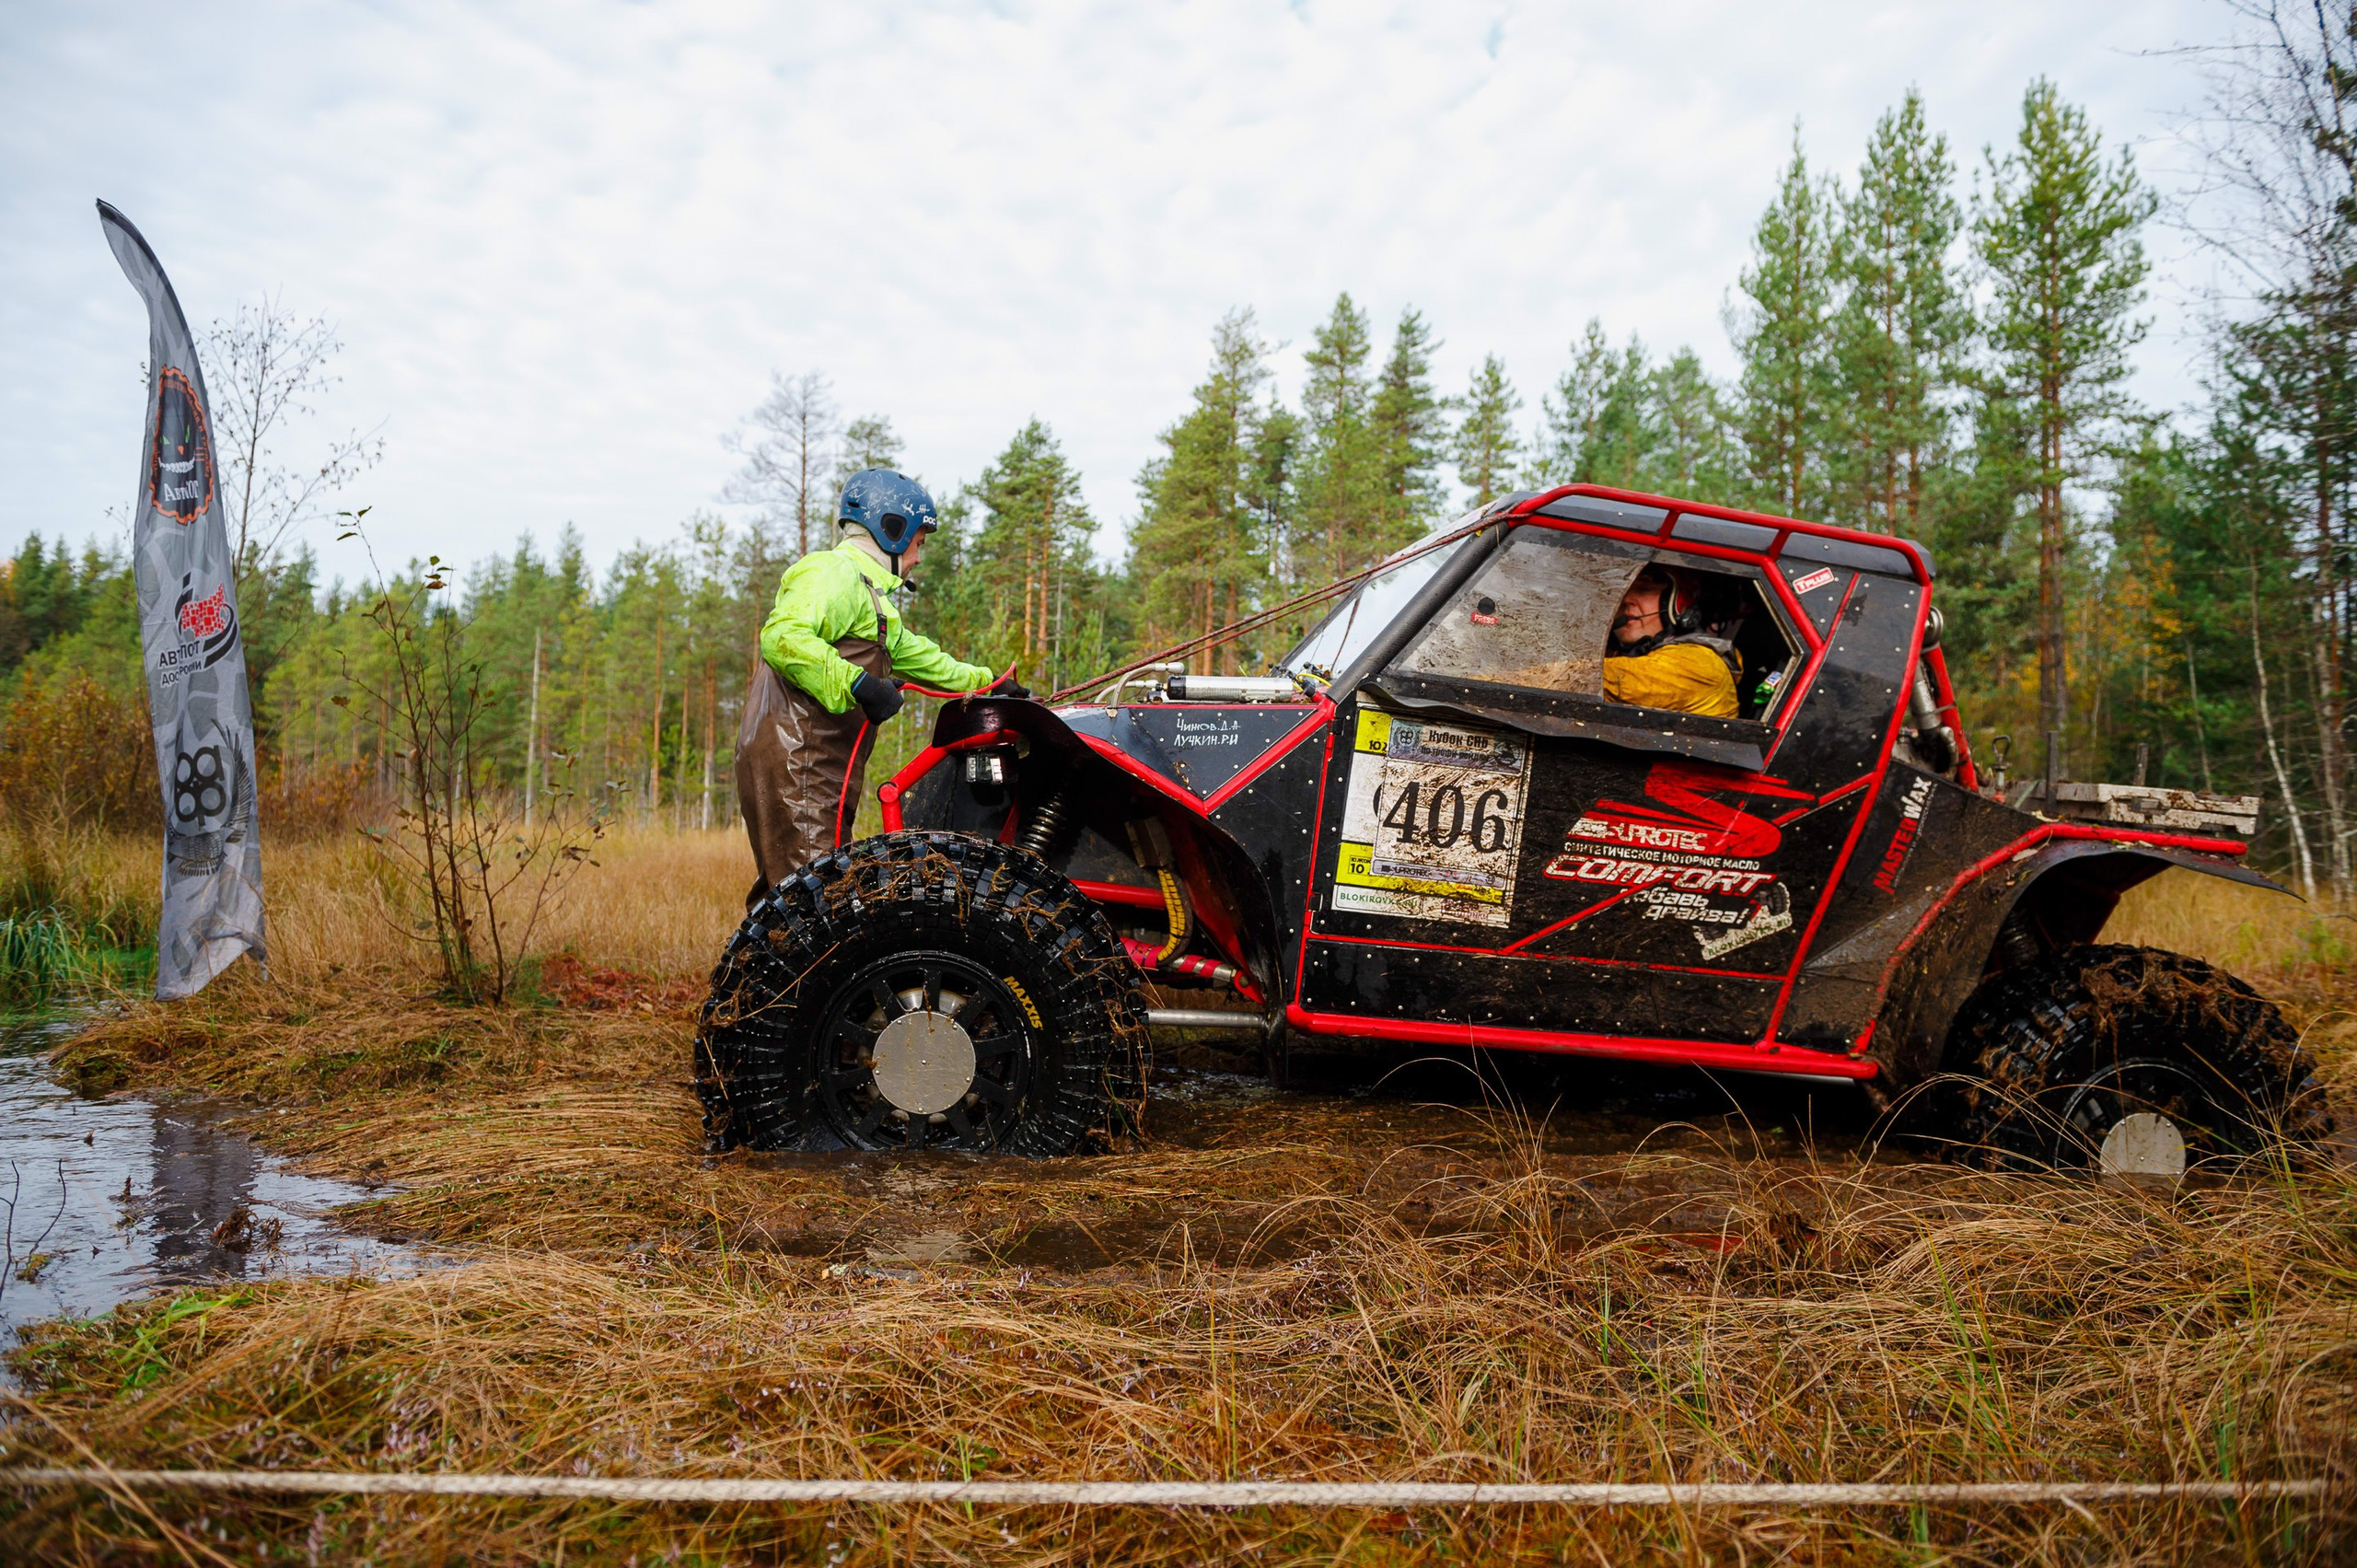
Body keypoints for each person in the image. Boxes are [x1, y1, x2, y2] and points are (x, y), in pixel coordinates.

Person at [734, 468, 1021, 908]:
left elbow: (929, 660)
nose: (920, 558)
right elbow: (783, 637)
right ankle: (796, 977)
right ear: (891, 529)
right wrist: (860, 683)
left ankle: (761, 975)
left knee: (791, 889)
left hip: (817, 762)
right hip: (799, 757)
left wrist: (993, 684)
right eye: (919, 544)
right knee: (814, 895)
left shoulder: (875, 602)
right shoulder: (833, 572)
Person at [1601, 565, 1739, 718]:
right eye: (1618, 591)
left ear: (1678, 603)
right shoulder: (1620, 654)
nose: (1626, 599)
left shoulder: (1700, 663)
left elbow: (1604, 679)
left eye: (1644, 589)